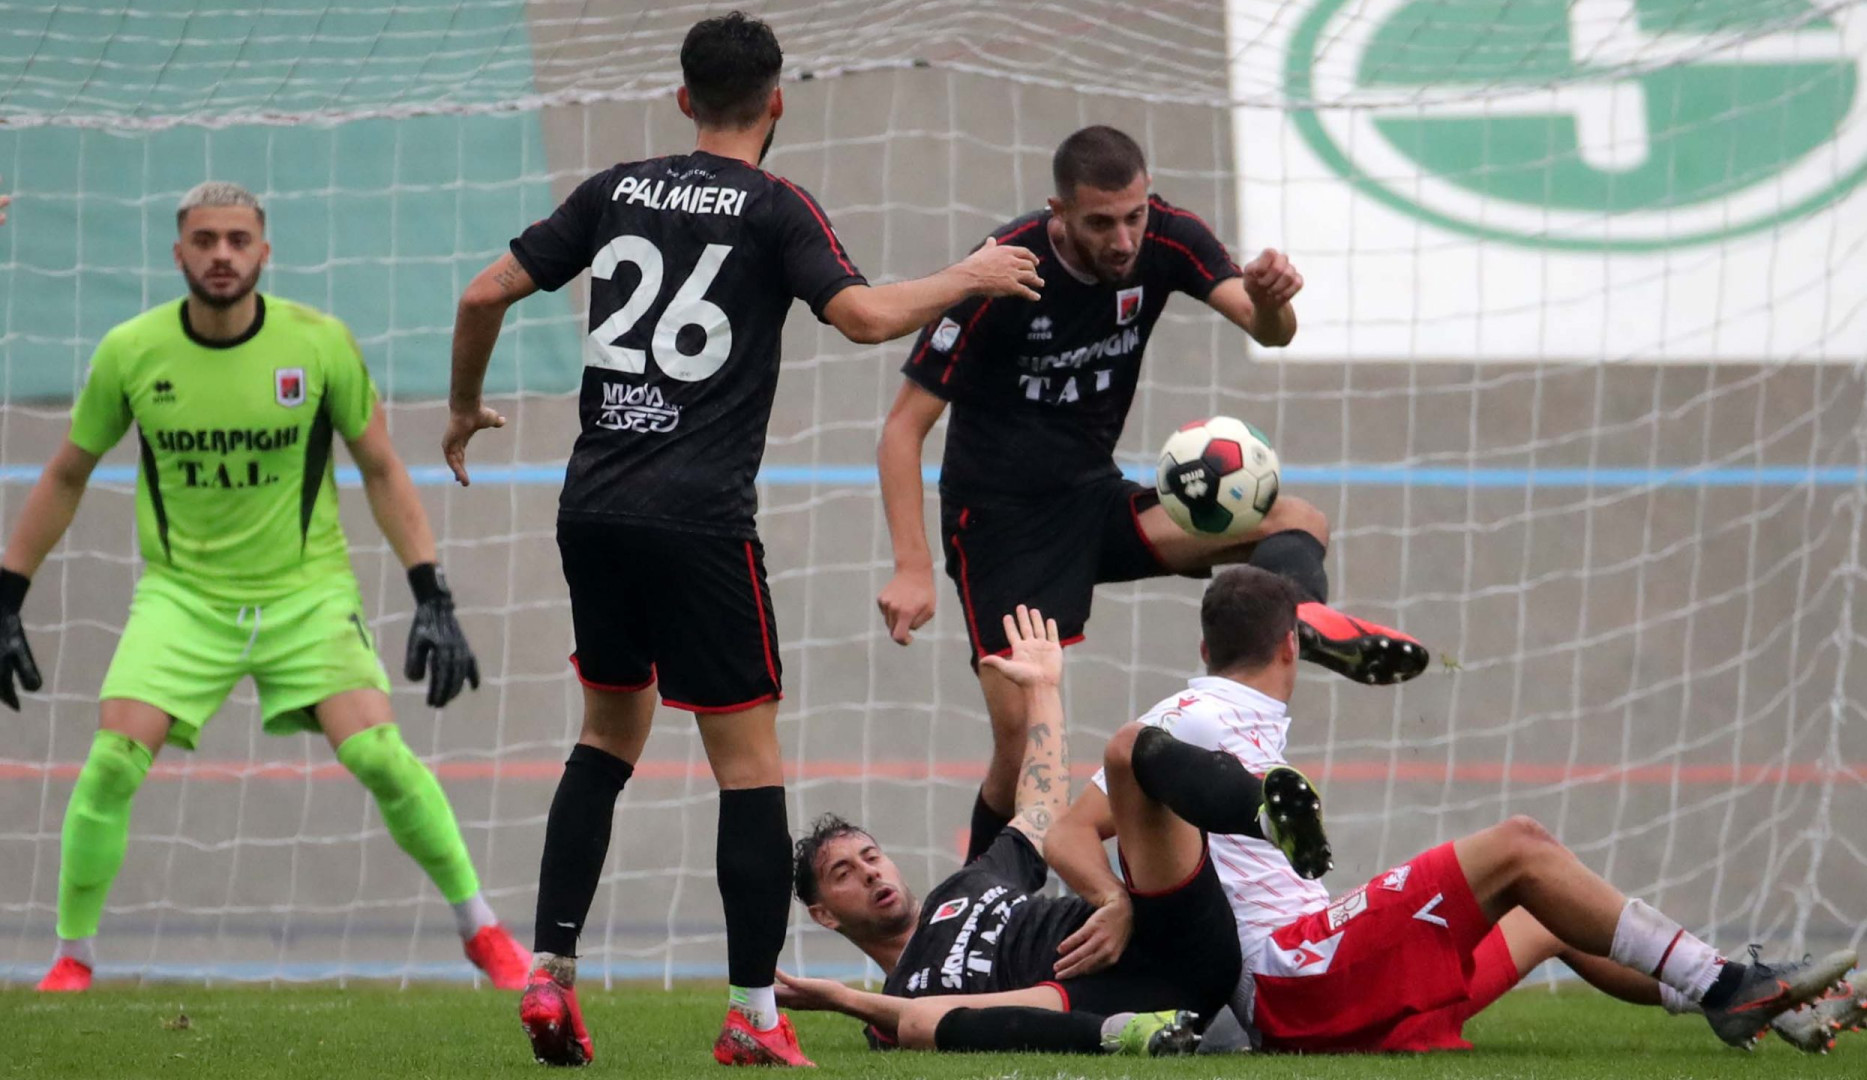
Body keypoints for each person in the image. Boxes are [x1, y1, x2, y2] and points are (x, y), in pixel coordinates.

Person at [437, 11, 1045, 1068]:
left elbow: (483, 290)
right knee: (750, 772)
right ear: (776, 102)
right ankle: (754, 1018)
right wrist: (970, 276)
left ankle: (550, 973)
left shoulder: (615, 189)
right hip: (699, 520)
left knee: (605, 740)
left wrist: (460, 407)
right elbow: (858, 317)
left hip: (593, 509)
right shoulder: (774, 207)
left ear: (682, 100)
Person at [0, 181, 524, 993]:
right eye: (205, 240)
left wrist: (433, 593)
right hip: (182, 598)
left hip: (305, 594)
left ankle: (483, 931)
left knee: (382, 756)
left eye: (237, 240)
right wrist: (7, 595)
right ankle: (73, 959)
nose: (221, 254)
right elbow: (67, 473)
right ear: (179, 252)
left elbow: (382, 468)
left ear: (263, 253)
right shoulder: (131, 352)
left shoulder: (318, 345)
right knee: (109, 765)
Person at [874, 123, 1427, 867]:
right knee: (1025, 745)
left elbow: (1272, 330)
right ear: (1058, 212)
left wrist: (1272, 301)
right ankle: (983, 904)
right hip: (1001, 530)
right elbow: (902, 431)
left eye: (1132, 215)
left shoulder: (1168, 238)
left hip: (1095, 501)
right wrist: (912, 566)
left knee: (1296, 520)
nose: (1124, 237)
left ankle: (1300, 621)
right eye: (1101, 222)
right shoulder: (1002, 272)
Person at [1044, 564, 1864, 1055]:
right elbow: (1070, 830)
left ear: (1204, 648)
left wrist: (1114, 895)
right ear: (1294, 645)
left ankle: (1744, 1004)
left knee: (1547, 916)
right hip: (1291, 980)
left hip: (1328, 980)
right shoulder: (1186, 717)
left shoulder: (1211, 712)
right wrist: (1119, 901)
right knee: (1520, 846)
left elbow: (1072, 831)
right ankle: (1727, 984)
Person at [777, 604, 1330, 1055]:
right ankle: (1129, 1037)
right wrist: (842, 998)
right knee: (919, 1025)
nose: (870, 871)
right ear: (824, 913)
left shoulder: (962, 888)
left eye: (870, 855)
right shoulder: (896, 1003)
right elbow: (905, 1024)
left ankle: (1259, 811)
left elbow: (1043, 811)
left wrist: (1042, 688)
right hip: (1106, 999)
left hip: (1171, 934)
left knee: (1129, 748)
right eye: (844, 873)